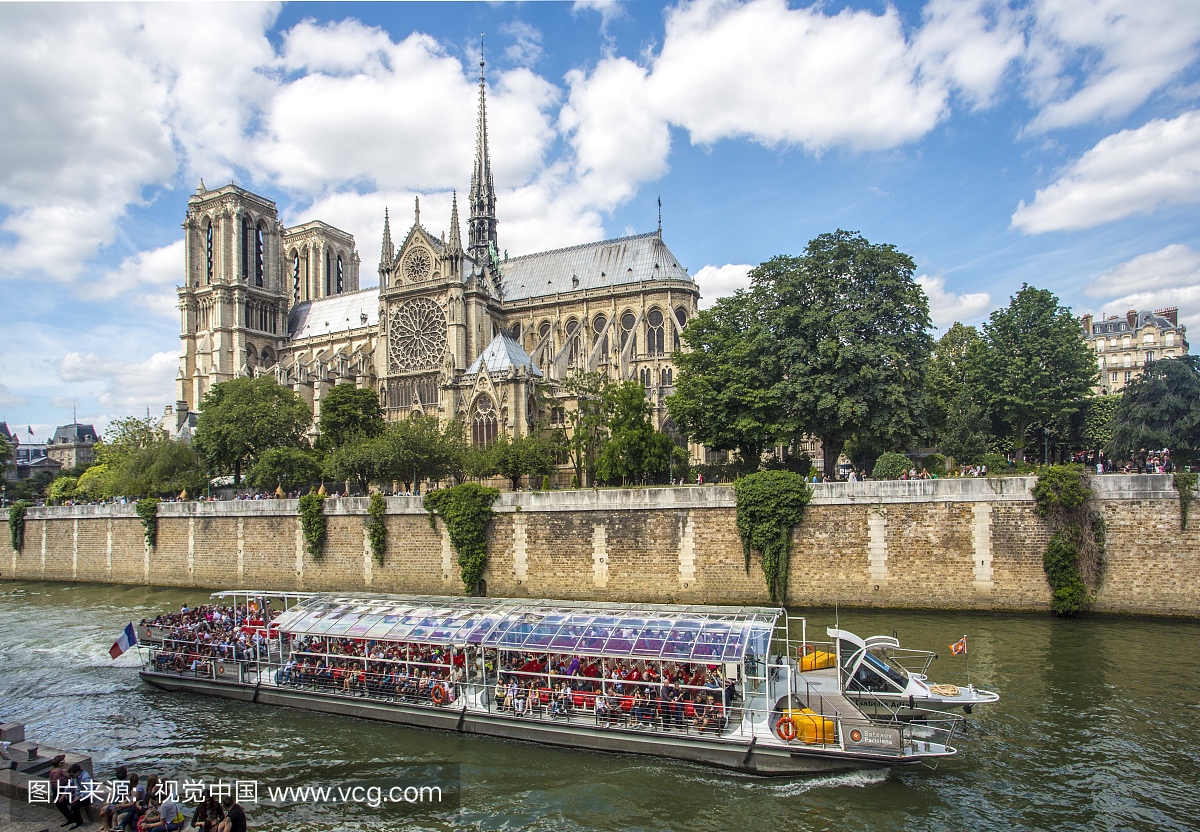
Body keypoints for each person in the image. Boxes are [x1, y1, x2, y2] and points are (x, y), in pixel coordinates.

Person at [49, 754, 83, 829]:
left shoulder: (52, 771)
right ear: (60, 763)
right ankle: (74, 819)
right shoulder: (62, 771)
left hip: (57, 791)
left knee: (62, 805)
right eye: (63, 761)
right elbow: (72, 776)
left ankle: (71, 818)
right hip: (61, 791)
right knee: (68, 803)